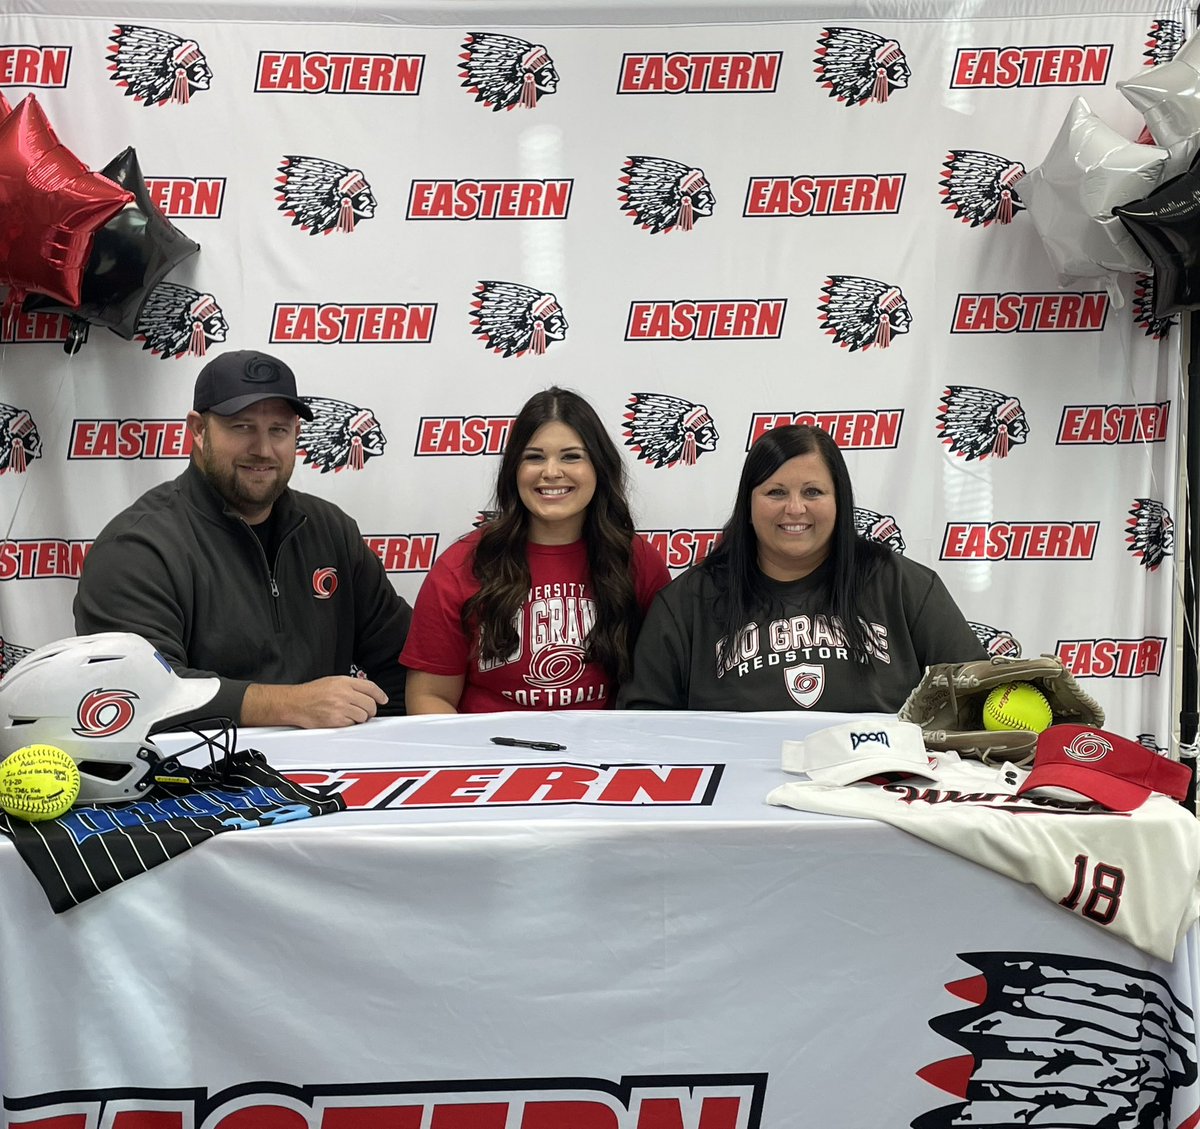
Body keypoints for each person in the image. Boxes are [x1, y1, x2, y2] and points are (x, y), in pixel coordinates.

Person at [74, 349, 411, 728]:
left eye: (278, 430)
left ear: (297, 435)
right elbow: (135, 692)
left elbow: (406, 662)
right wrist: (288, 705)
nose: (263, 450)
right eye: (242, 427)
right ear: (199, 431)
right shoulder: (137, 546)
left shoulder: (330, 529)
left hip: (327, 772)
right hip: (194, 777)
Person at [617, 424, 985, 712]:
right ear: (748, 504)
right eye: (775, 492)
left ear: (840, 501)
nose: (794, 509)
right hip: (736, 798)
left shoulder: (901, 584)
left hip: (877, 794)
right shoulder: (688, 602)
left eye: (813, 492)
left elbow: (974, 693)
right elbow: (644, 719)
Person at [401, 387, 670, 712]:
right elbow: (430, 696)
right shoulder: (462, 566)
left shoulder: (638, 560)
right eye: (534, 457)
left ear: (599, 467)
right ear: (514, 470)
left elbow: (661, 691)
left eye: (571, 456)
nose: (551, 471)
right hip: (491, 757)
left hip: (602, 756)